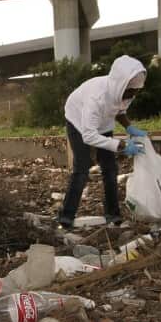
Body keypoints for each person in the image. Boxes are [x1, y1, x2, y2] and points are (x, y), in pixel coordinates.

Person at [58, 55, 148, 228]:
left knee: (110, 168)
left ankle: (113, 214)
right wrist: (121, 146)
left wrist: (129, 127)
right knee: (82, 167)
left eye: (135, 92)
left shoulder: (125, 92)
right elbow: (89, 136)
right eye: (130, 92)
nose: (131, 96)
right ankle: (66, 216)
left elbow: (120, 110)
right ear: (120, 84)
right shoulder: (96, 97)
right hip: (78, 120)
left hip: (103, 122)